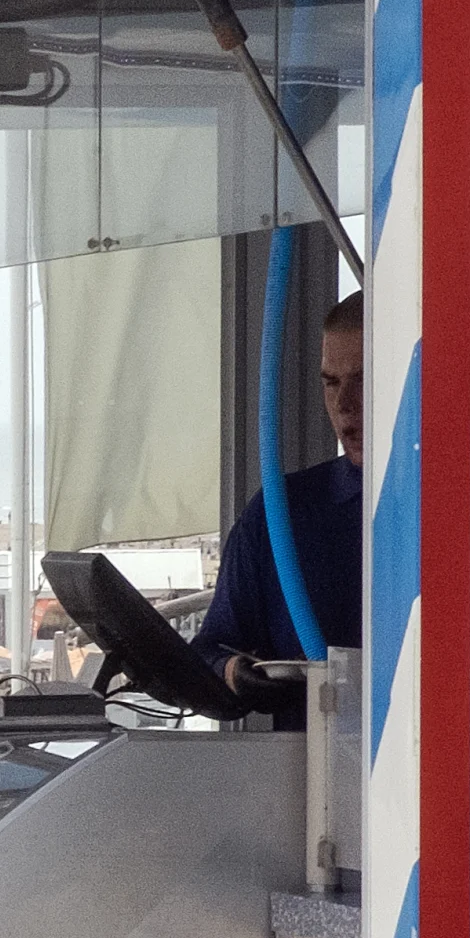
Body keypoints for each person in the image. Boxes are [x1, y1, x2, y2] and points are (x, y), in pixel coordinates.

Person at [192, 291, 368, 718]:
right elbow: (209, 652)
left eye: (364, 379)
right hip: (311, 773)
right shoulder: (285, 513)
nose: (345, 405)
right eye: (331, 383)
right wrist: (237, 674)